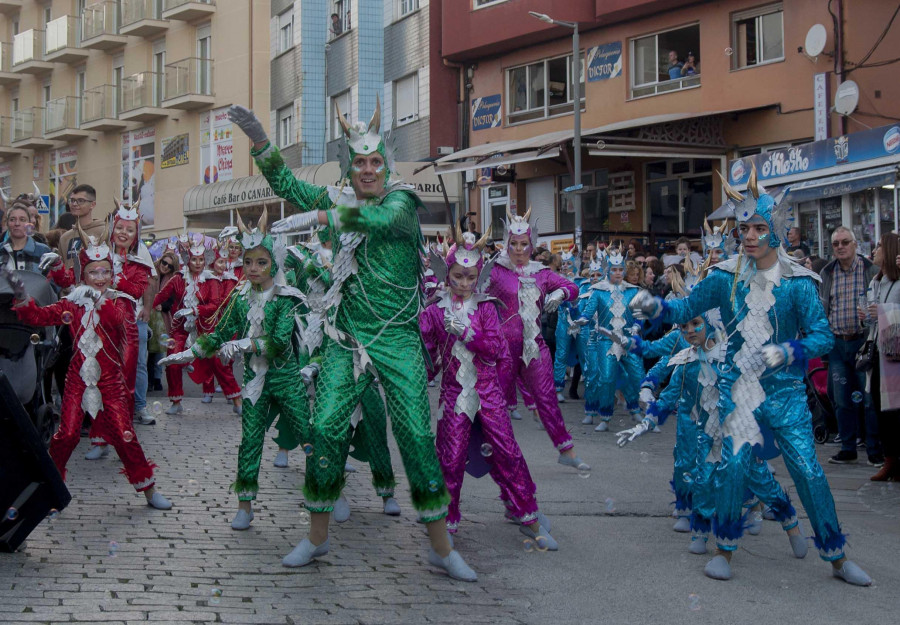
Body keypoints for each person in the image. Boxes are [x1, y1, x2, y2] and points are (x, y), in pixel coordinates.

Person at [228, 100, 477, 580]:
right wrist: (261, 140)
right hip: (345, 337)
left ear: (385, 164)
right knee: (324, 428)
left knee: (415, 435)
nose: (367, 170)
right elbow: (288, 186)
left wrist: (328, 220)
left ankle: (441, 548)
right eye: (358, 162)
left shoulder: (402, 201)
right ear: (349, 166)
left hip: (397, 339)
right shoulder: (339, 197)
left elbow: (382, 223)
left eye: (374, 161)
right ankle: (317, 537)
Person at [630, 170, 872, 585]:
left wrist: (787, 351)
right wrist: (655, 307)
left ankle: (836, 555)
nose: (750, 235)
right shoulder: (724, 277)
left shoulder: (798, 284)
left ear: (777, 230)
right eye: (745, 228)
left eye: (760, 227)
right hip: (737, 389)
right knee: (733, 466)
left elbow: (822, 336)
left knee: (808, 470)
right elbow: (685, 309)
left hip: (786, 393)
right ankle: (724, 549)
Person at [161, 212, 311, 531]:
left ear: (274, 263)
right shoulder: (239, 297)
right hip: (255, 382)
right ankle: (245, 504)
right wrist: (187, 352)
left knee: (308, 437)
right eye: (248, 262)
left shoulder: (285, 299)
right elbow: (219, 331)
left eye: (261, 262)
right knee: (250, 441)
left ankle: (328, 489)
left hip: (285, 380)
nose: (254, 269)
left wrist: (245, 345)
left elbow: (280, 342)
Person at [5, 225, 171, 510]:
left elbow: (117, 321)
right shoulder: (73, 302)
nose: (100, 278)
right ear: (84, 275)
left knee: (123, 433)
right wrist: (22, 299)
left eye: (105, 272)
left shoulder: (120, 301)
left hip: (110, 380)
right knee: (66, 434)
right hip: (77, 379)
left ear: (112, 273)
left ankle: (148, 488)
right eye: (93, 272)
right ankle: (51, 489)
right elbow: (41, 316)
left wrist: (98, 299)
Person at [616, 315, 807, 559]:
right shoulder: (685, 362)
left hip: (738, 433)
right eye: (684, 327)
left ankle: (791, 525)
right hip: (706, 435)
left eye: (696, 324)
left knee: (759, 479)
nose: (690, 331)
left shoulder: (732, 356)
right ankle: (700, 534)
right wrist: (644, 424)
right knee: (703, 480)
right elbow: (668, 397)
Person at [420, 227, 557, 547]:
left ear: (479, 276)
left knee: (507, 452)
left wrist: (467, 332)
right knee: (450, 457)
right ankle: (447, 524)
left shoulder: (486, 307)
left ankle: (528, 517)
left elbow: (495, 348)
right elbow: (424, 355)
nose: (464, 283)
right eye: (457, 276)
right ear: (446, 275)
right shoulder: (434, 311)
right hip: (454, 395)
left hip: (488, 392)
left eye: (470, 277)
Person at [487, 207, 588, 468]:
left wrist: (560, 294)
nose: (519, 249)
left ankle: (567, 451)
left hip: (534, 345)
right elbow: (468, 284)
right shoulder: (496, 272)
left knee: (547, 397)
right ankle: (495, 450)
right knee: (498, 401)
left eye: (524, 244)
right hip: (502, 348)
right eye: (514, 244)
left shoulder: (541, 273)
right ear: (506, 244)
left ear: (531, 245)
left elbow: (573, 287)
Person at [819, 226, 882, 466]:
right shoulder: (827, 272)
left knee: (868, 398)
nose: (840, 247)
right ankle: (847, 447)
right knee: (841, 398)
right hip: (837, 342)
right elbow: (823, 306)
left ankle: (874, 449)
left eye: (845, 242)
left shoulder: (870, 270)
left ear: (855, 245)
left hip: (863, 341)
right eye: (836, 244)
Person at [575, 249, 644, 431]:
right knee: (605, 378)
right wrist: (581, 319)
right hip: (605, 341)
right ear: (609, 271)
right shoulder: (598, 292)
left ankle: (635, 408)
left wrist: (636, 327)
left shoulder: (633, 290)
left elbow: (638, 314)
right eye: (614, 269)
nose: (618, 273)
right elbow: (588, 312)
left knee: (636, 375)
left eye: (620, 269)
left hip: (627, 340)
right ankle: (604, 417)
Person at [152, 240, 209, 415]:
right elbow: (161, 295)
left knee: (217, 362)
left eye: (201, 260)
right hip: (180, 327)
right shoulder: (178, 279)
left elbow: (216, 303)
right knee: (172, 361)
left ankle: (235, 399)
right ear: (187, 259)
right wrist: (148, 306)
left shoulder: (210, 280)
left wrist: (196, 309)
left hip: (204, 325)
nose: (197, 264)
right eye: (194, 259)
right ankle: (176, 401)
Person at [864, 233, 900, 481]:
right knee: (880, 407)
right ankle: (889, 460)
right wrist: (868, 316)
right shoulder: (877, 281)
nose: (874, 249)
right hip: (879, 349)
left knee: (895, 409)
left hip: (895, 354)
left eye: (878, 246)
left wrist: (885, 311)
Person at [191, 246, 242, 412]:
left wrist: (198, 309)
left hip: (225, 325)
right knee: (206, 359)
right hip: (205, 325)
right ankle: (209, 391)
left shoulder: (229, 280)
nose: (222, 265)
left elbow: (223, 302)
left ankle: (232, 394)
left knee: (223, 360)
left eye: (224, 262)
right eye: (219, 261)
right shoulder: (200, 279)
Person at [1, 203, 53, 273]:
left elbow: (51, 281)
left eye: (22, 220)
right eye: (12, 219)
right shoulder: (1, 250)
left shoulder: (42, 251)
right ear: (7, 223)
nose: (17, 223)